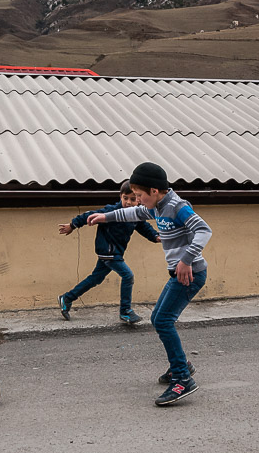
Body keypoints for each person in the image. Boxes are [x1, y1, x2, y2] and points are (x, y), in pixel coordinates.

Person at [88, 162, 211, 406]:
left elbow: (204, 230)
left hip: (190, 273)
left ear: (154, 191)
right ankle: (181, 364)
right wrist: (106, 216)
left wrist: (186, 261)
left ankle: (183, 378)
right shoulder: (157, 206)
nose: (138, 201)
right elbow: (131, 213)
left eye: (140, 196)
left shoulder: (177, 206)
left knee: (163, 321)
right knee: (158, 318)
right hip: (179, 274)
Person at [58, 180, 160, 324]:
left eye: (132, 199)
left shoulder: (135, 215)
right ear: (120, 196)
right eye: (125, 198)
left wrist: (156, 237)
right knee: (128, 276)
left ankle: (67, 298)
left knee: (95, 279)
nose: (128, 203)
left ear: (139, 199)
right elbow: (89, 215)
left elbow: (145, 228)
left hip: (116, 253)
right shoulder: (111, 211)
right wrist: (72, 225)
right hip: (108, 252)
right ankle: (125, 311)